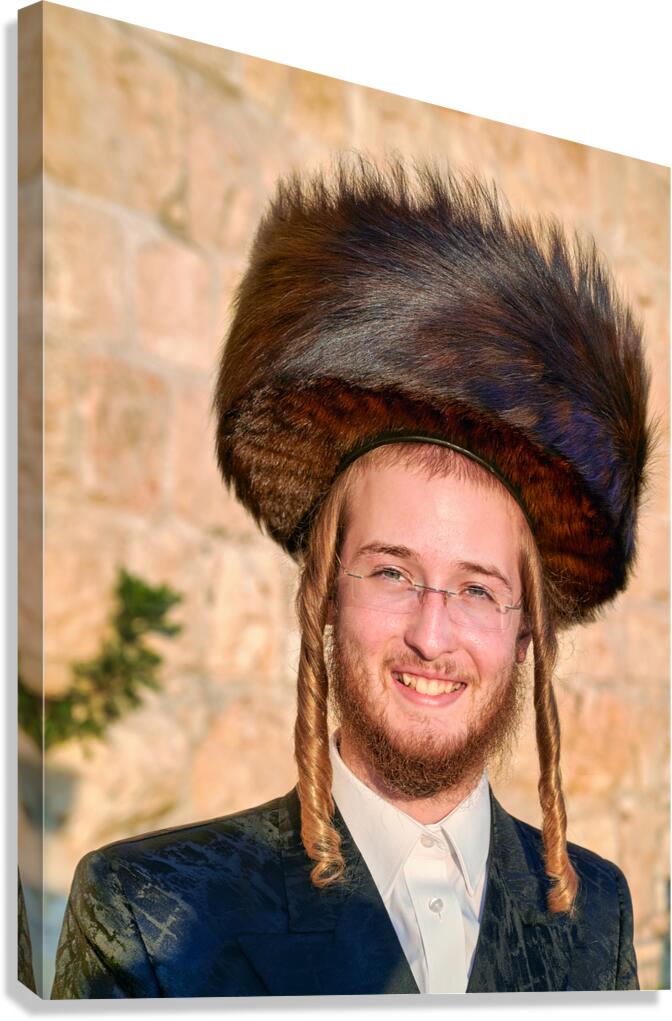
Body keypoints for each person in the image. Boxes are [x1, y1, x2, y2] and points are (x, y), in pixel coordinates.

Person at [51, 157, 650, 997]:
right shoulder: (151, 916)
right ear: (326, 591)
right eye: (393, 572)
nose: (431, 634)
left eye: (477, 587)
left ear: (527, 631)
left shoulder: (598, 914)